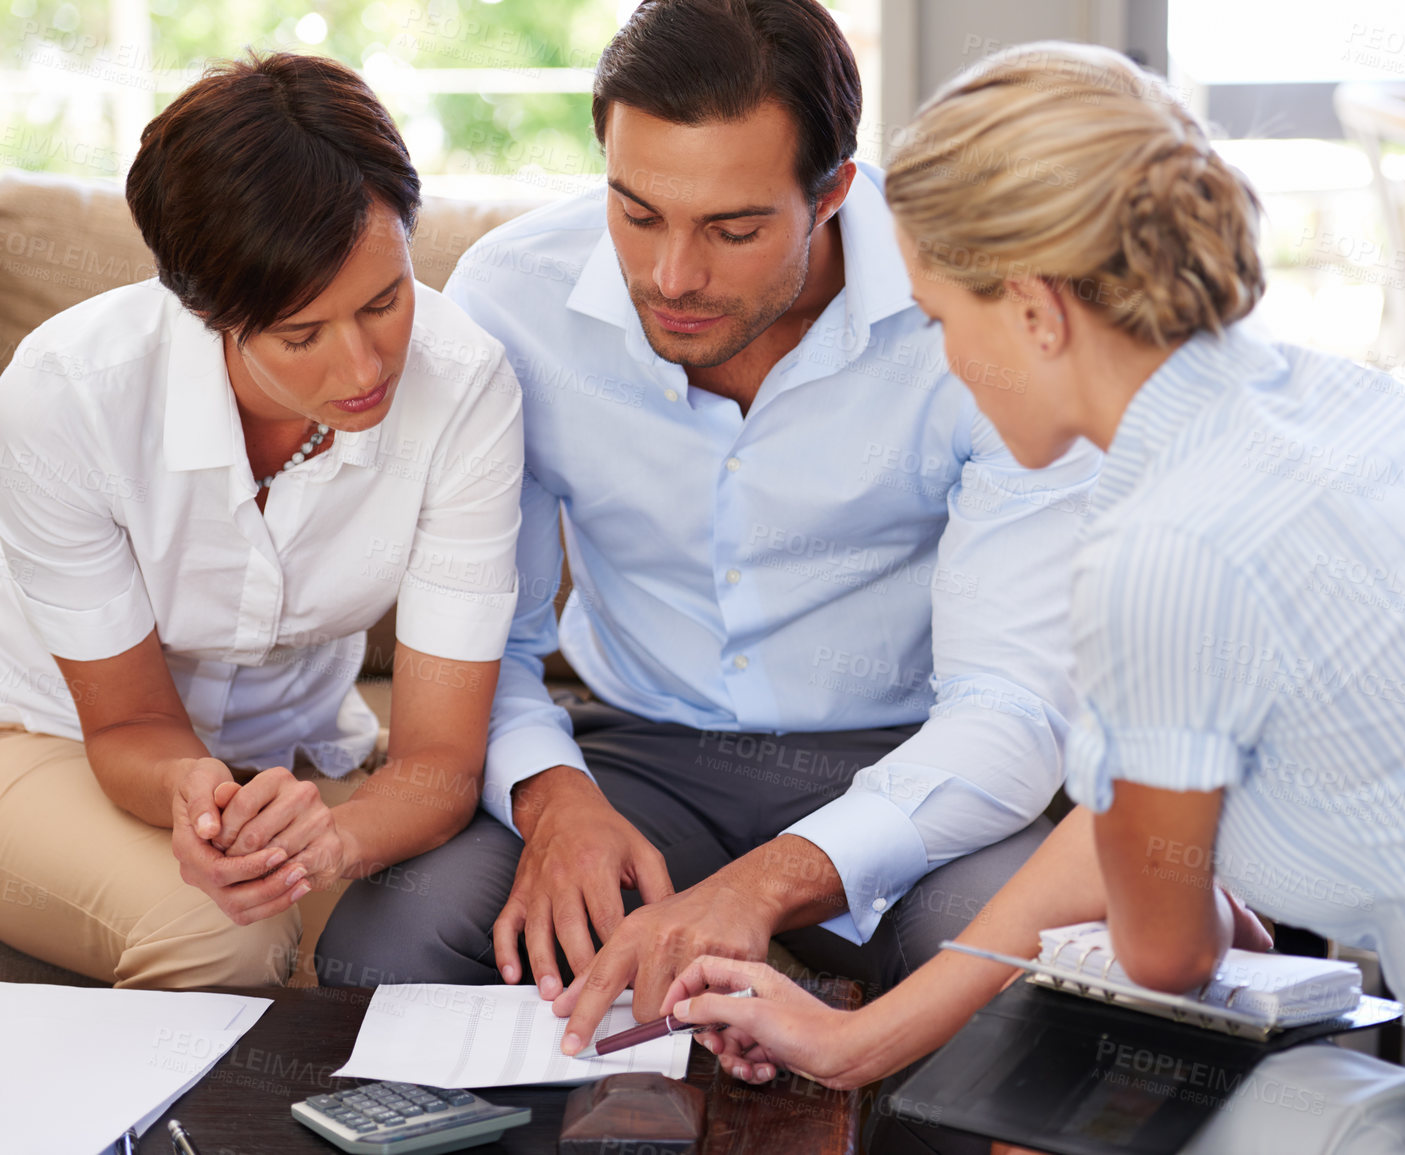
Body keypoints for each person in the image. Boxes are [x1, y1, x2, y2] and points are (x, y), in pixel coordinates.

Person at [662, 43, 1405, 1155]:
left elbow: (1167, 944)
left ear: (1033, 309)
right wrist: (860, 1042)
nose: (950, 366)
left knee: (1067, 1119)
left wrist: (1190, 895)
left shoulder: (1161, 545)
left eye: (940, 323)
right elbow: (1127, 827)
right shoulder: (1339, 405)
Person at [316, 0, 1097, 1066]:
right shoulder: (516, 298)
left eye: (733, 230)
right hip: (638, 759)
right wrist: (554, 802)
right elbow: (485, 642)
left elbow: (1010, 707)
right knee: (395, 936)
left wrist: (759, 886)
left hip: (912, 765)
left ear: (833, 193)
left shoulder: (973, 317)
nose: (672, 276)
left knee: (1029, 987)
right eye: (636, 213)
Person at [0, 53, 525, 989]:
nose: (364, 367)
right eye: (300, 334)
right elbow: (127, 728)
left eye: (384, 300)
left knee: (417, 948)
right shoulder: (67, 398)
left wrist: (330, 840)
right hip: (53, 742)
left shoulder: (466, 383)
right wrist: (190, 793)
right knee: (223, 935)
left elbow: (440, 758)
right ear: (206, 311)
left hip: (301, 763)